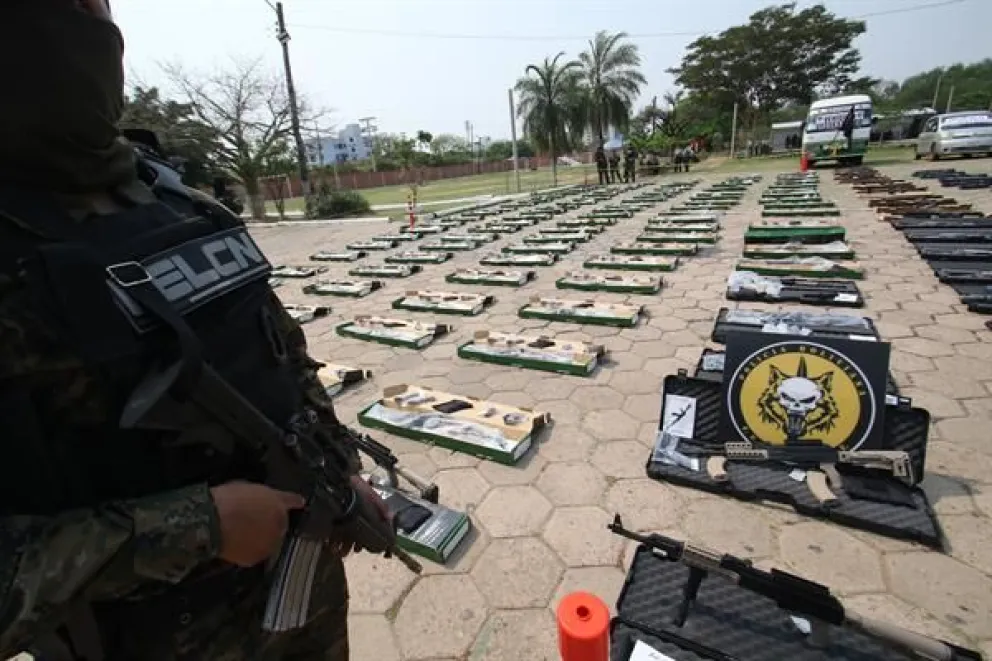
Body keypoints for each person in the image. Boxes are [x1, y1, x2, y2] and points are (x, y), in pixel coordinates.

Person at [0, 2, 392, 659]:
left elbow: (283, 359)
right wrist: (198, 527)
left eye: (85, 4)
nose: (72, 22)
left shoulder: (175, 197)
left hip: (303, 606)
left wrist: (336, 470)